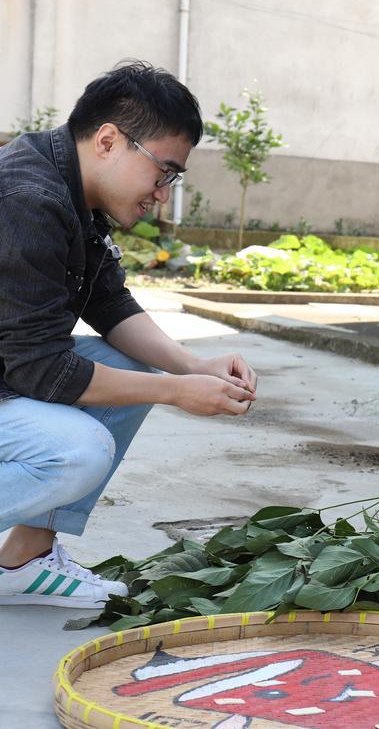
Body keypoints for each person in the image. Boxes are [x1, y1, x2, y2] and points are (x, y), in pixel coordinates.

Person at [0, 61, 258, 610]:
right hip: (14, 370)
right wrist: (174, 393)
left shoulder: (72, 187)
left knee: (131, 364)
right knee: (76, 451)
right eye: (163, 171)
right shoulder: (27, 200)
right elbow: (41, 370)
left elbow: (108, 302)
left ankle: (24, 560)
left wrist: (192, 366)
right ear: (109, 140)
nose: (163, 193)